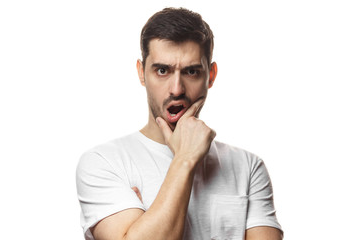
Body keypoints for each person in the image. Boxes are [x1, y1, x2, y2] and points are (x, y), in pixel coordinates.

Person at [76, 7, 283, 240]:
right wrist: (184, 160)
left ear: (211, 75)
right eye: (162, 70)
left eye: (191, 72)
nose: (177, 89)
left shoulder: (248, 167)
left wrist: (147, 222)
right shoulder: (104, 163)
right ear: (142, 72)